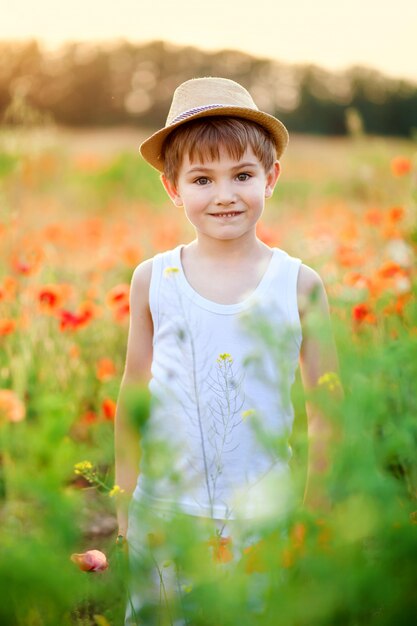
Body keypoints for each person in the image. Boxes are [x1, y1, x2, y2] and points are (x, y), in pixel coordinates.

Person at [114, 77, 339, 625]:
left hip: (262, 514)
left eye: (242, 175)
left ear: (271, 178)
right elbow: (133, 393)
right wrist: (124, 502)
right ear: (172, 188)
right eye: (201, 178)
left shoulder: (299, 283)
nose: (224, 194)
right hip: (164, 510)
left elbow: (327, 411)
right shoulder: (153, 279)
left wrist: (316, 512)